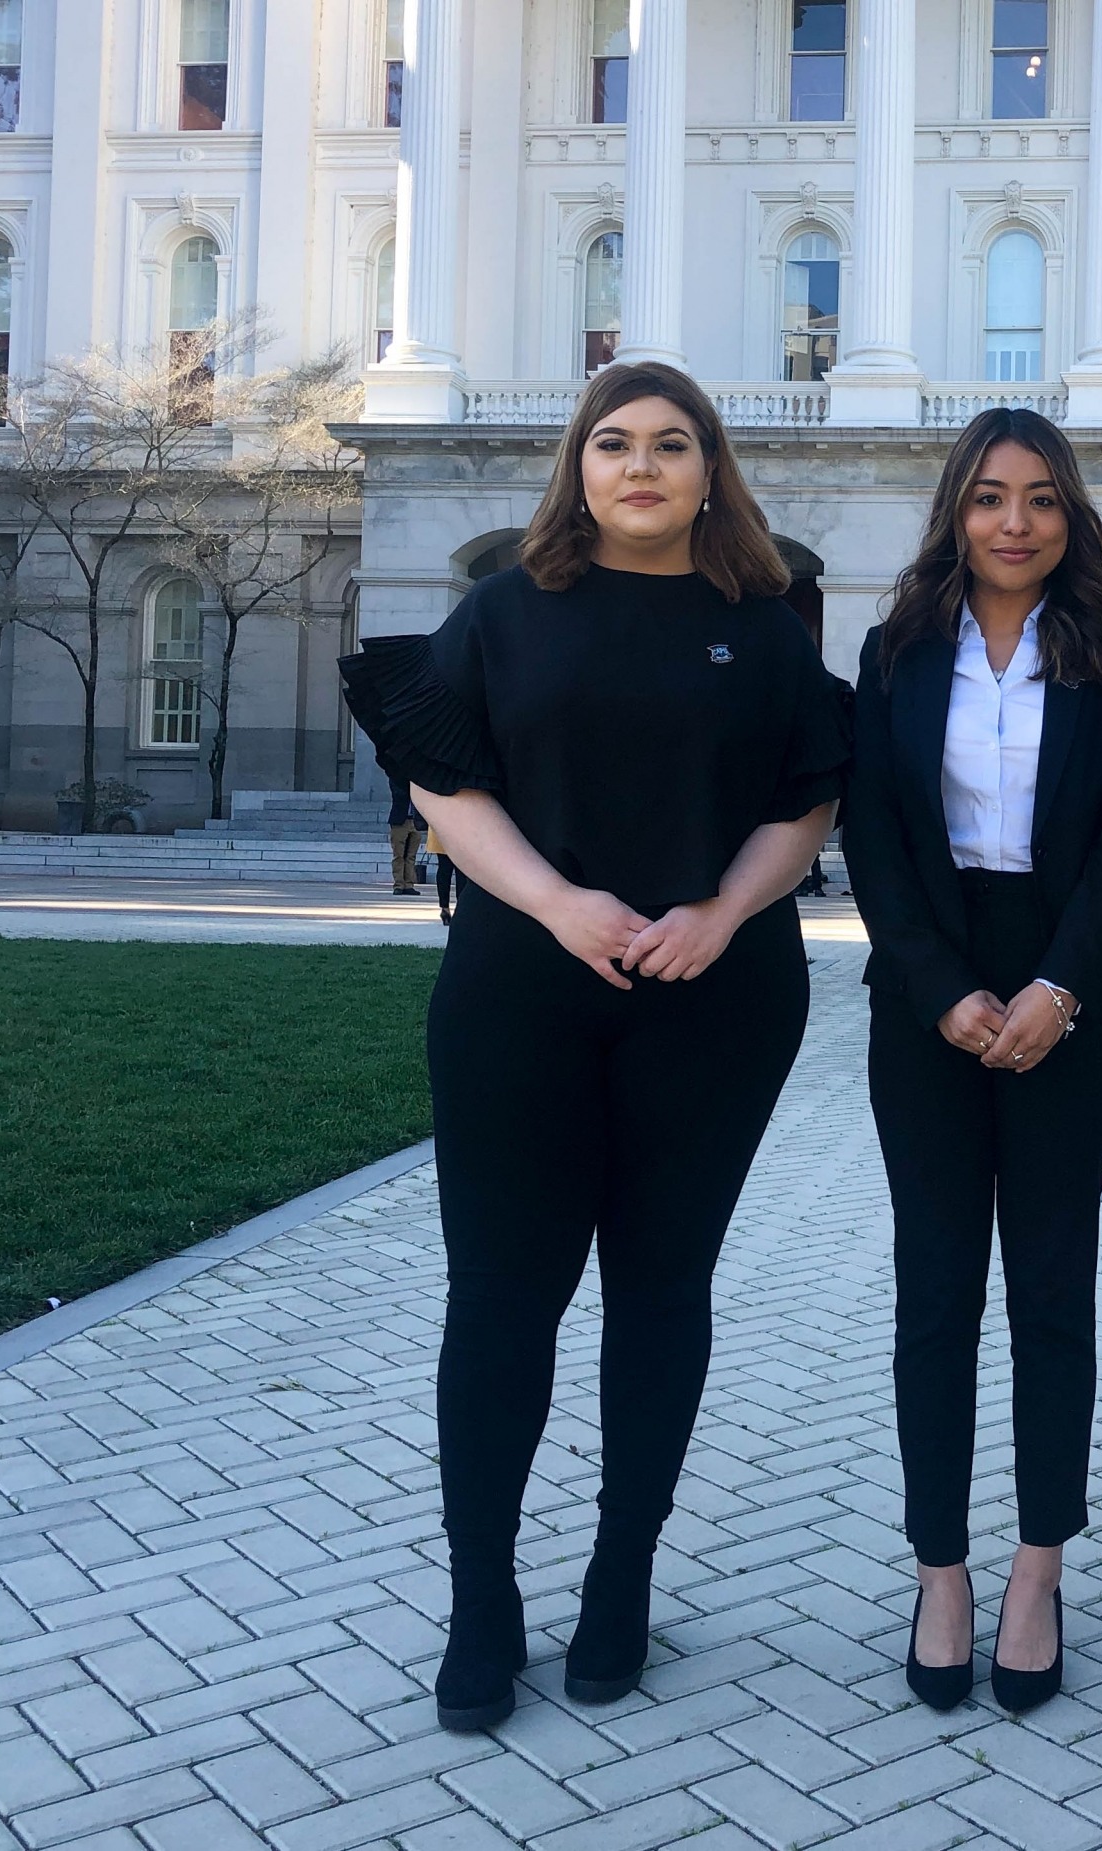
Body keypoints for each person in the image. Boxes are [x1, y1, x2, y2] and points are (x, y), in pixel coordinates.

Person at [339, 362, 848, 1734]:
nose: (641, 465)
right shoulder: (507, 608)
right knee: (503, 1299)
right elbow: (442, 780)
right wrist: (562, 904)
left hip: (713, 999)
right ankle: (483, 1600)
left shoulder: (763, 624)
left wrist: (722, 909)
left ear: (708, 470)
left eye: (672, 444)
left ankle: (622, 1578)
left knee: (660, 1293)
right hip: (521, 994)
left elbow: (808, 799)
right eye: (614, 442)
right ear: (578, 465)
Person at [845, 409, 1102, 1714]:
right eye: (989, 498)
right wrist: (940, 989)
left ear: (1071, 513)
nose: (1015, 521)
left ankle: (1038, 1566)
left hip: (1064, 984)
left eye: (1039, 498)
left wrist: (1059, 984)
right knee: (936, 1292)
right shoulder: (897, 648)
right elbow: (871, 830)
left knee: (1050, 1290)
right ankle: (942, 1570)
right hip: (927, 991)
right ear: (955, 512)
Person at [388, 777, 424, 895]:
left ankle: (409, 884)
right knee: (398, 854)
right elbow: (398, 793)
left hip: (415, 821)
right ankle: (398, 885)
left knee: (411, 855)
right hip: (400, 820)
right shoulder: (396, 779)